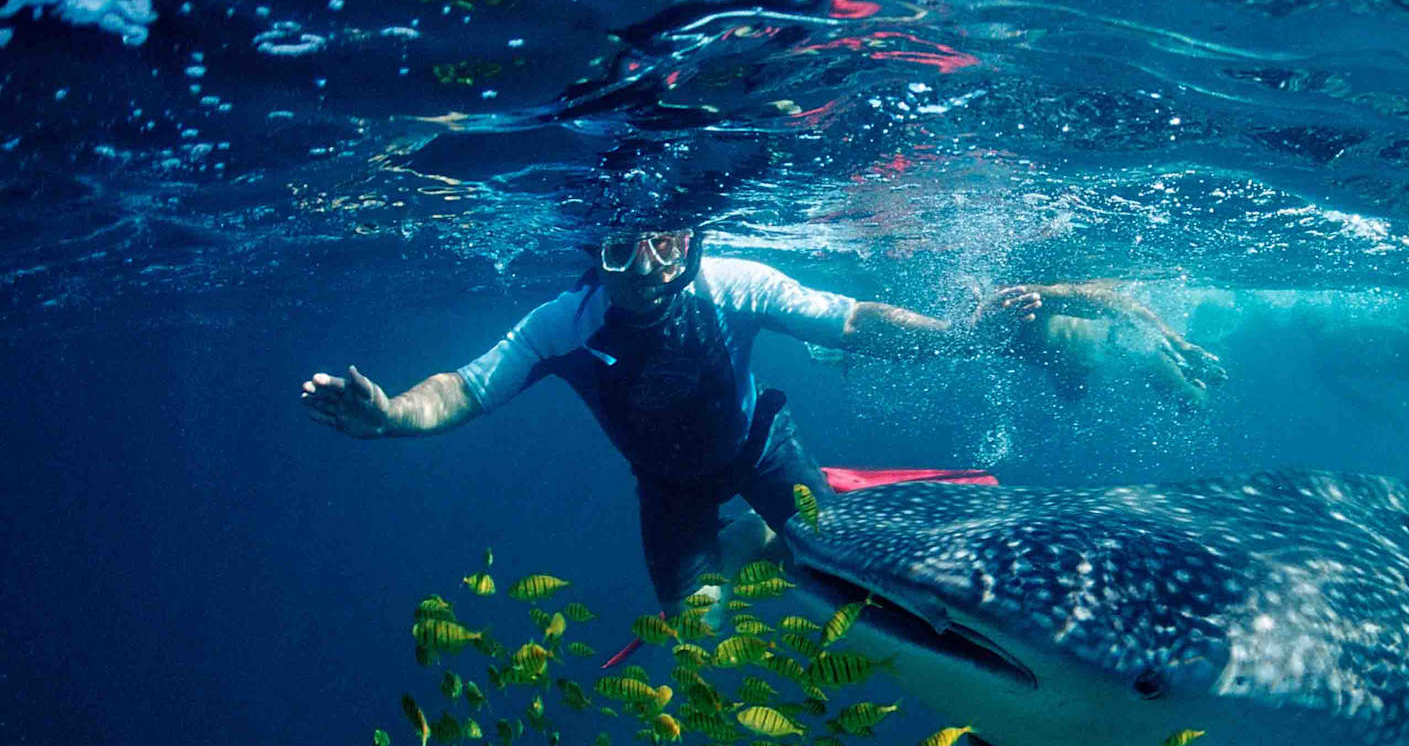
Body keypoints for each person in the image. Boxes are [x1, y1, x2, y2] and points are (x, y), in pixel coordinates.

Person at [301, 212, 1042, 617]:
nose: (651, 269)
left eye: (667, 242)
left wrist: (961, 339)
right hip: (668, 487)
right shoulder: (565, 322)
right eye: (624, 249)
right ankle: (755, 537)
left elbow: (849, 321)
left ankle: (765, 530)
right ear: (595, 252)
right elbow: (466, 388)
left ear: (693, 241)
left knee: (838, 567)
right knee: (696, 639)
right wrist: (394, 415)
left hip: (760, 448)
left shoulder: (734, 284)